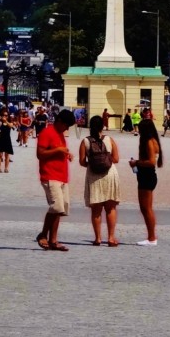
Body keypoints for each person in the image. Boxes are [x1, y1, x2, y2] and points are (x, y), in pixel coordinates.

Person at [35, 108, 76, 252]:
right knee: (56, 206)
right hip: (50, 175)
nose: (67, 129)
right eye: (66, 125)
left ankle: (53, 240)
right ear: (59, 121)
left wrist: (67, 154)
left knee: (60, 209)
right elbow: (40, 154)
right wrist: (58, 151)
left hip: (62, 176)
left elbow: (58, 150)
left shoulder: (60, 134)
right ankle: (42, 234)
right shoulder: (47, 132)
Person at [79, 115, 122, 246]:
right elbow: (116, 159)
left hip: (93, 176)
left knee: (96, 210)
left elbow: (82, 162)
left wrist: (93, 165)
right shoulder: (109, 139)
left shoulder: (85, 141)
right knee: (110, 208)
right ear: (103, 126)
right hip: (109, 174)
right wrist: (106, 162)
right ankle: (110, 238)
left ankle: (98, 238)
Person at [129, 118, 163, 246]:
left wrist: (136, 162)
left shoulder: (148, 141)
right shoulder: (154, 140)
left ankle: (151, 238)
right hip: (148, 176)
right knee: (146, 208)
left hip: (147, 176)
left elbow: (151, 162)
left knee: (146, 208)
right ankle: (151, 237)